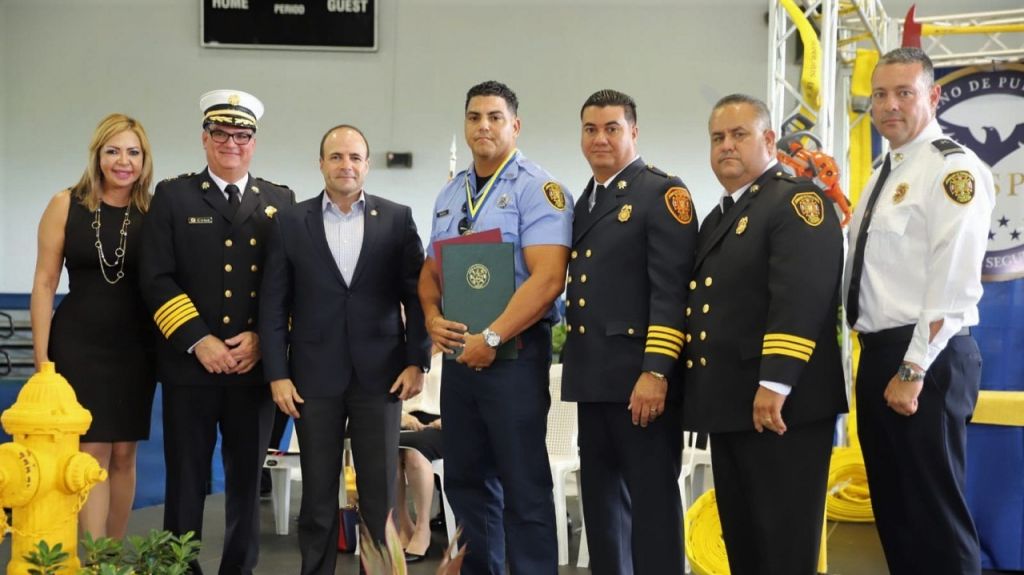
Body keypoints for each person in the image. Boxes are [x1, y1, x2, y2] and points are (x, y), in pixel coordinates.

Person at [682, 94, 847, 575]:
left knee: (782, 546)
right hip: (732, 404)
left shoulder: (796, 200)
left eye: (739, 135)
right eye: (717, 138)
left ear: (770, 139)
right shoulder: (720, 216)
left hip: (780, 405)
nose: (726, 146)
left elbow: (801, 298)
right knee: (746, 545)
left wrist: (775, 383)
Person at [846, 47, 994, 575]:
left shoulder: (952, 169)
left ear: (932, 96)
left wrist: (912, 369)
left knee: (935, 519)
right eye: (880, 94)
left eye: (904, 93)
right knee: (897, 516)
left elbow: (952, 280)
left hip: (925, 357)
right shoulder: (883, 172)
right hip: (880, 354)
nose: (889, 105)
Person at [259, 123, 430, 575]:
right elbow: (273, 305)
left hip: (382, 377)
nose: (346, 165)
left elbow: (417, 297)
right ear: (321, 163)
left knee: (380, 497)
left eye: (355, 157)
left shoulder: (397, 219)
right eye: (336, 156)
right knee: (317, 497)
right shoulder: (290, 222)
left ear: (367, 165)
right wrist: (277, 373)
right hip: (312, 378)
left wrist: (417, 361)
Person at [418, 80, 573, 575]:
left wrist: (493, 337)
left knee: (523, 484)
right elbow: (430, 272)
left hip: (514, 358)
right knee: (466, 481)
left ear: (515, 125)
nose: (483, 126)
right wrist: (432, 319)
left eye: (494, 117)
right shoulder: (450, 194)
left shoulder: (539, 190)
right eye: (474, 117)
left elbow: (548, 279)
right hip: (462, 360)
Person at [139, 89, 295, 575]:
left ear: (254, 142)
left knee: (247, 483)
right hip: (190, 367)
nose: (231, 143)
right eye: (221, 133)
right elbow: (156, 276)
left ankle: (238, 569)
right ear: (205, 139)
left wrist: (263, 340)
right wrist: (199, 339)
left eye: (241, 135)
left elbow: (289, 283)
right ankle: (178, 568)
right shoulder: (174, 196)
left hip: (252, 370)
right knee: (185, 481)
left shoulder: (280, 201)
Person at [560, 89, 696, 575]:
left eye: (611, 128)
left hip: (640, 382)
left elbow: (672, 293)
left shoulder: (661, 192)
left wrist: (656, 372)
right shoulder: (585, 201)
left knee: (652, 507)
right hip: (594, 380)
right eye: (590, 129)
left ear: (633, 132)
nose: (599, 138)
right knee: (602, 512)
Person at [30, 113, 157, 539]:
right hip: (78, 344)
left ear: (144, 159)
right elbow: (44, 282)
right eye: (113, 151)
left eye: (133, 152)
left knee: (124, 454)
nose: (124, 161)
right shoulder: (65, 204)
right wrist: (41, 359)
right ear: (97, 155)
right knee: (92, 450)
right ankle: (96, 556)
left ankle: (113, 556)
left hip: (136, 347)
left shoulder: (155, 211)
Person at [396, 351, 443, 563]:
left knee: (414, 453)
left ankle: (423, 528)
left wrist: (450, 417)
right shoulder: (406, 349)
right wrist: (402, 417)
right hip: (404, 419)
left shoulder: (455, 347)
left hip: (442, 422)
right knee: (387, 451)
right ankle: (404, 524)